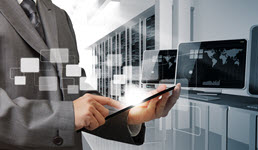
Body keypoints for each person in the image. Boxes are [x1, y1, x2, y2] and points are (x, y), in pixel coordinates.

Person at [0, 0, 181, 149]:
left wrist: (128, 116)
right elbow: (72, 111)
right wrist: (66, 116)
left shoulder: (59, 16)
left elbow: (72, 91)